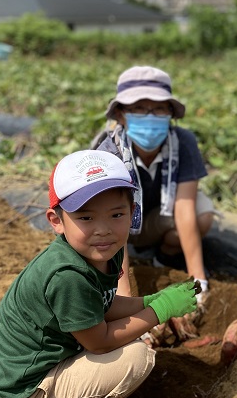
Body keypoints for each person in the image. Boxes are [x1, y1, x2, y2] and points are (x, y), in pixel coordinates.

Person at [0, 149, 201, 398]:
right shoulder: (67, 276)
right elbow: (99, 343)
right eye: (85, 217)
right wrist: (159, 310)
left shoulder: (99, 253)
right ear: (57, 221)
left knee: (129, 338)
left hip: (38, 371)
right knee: (136, 358)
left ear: (132, 213)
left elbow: (102, 305)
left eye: (116, 215)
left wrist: (148, 301)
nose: (103, 229)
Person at [91, 65, 215, 312]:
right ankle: (122, 269)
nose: (149, 116)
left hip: (156, 219)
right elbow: (111, 219)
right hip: (115, 226)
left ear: (170, 113)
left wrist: (198, 280)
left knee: (203, 214)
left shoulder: (183, 142)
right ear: (121, 115)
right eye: (138, 108)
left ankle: (162, 258)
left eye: (158, 109)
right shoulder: (108, 152)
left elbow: (184, 205)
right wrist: (125, 299)